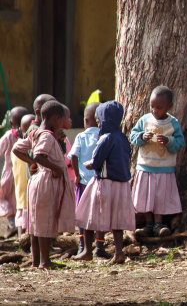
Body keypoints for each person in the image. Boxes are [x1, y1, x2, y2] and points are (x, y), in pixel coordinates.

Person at [12, 101, 76, 269]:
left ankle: (36, 261)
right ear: (55, 119)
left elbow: (17, 149)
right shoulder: (46, 136)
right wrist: (55, 168)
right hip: (46, 183)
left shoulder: (35, 133)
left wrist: (33, 163)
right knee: (45, 223)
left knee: (35, 224)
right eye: (63, 119)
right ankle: (45, 262)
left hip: (38, 181)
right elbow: (40, 156)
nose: (63, 123)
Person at [74, 101, 135, 264]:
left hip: (104, 183)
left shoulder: (105, 139)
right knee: (116, 222)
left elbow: (97, 161)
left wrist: (89, 164)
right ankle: (118, 252)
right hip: (121, 185)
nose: (99, 123)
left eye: (100, 120)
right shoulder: (123, 138)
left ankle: (87, 250)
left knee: (87, 213)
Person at [130, 86, 185, 237]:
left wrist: (169, 141)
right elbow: (133, 136)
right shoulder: (145, 120)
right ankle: (148, 225)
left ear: (169, 107)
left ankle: (159, 225)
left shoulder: (172, 123)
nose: (155, 110)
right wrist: (142, 137)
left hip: (164, 169)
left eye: (159, 107)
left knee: (160, 198)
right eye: (152, 106)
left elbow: (180, 142)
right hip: (145, 167)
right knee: (146, 198)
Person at [67, 102, 109, 257]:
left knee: (82, 215)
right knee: (99, 214)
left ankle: (83, 246)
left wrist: (77, 175)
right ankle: (99, 247)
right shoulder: (104, 136)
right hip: (100, 182)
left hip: (83, 183)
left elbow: (74, 156)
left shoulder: (81, 136)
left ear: (85, 120)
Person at [0, 106, 29, 229]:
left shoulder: (8, 136)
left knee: (2, 197)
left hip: (8, 174)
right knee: (17, 200)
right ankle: (17, 224)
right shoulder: (27, 136)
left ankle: (11, 220)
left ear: (11, 122)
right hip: (21, 174)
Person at [11, 113, 34, 235]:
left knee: (23, 213)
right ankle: (22, 239)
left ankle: (23, 239)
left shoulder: (21, 145)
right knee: (24, 213)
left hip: (23, 186)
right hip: (23, 186)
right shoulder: (25, 146)